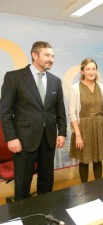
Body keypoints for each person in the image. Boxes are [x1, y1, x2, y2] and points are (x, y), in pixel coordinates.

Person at [0, 41, 67, 201]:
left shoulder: (55, 80)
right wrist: (11, 138)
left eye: (52, 56)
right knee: (23, 183)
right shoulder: (14, 77)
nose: (51, 59)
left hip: (48, 139)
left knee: (46, 181)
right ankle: (22, 215)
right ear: (34, 55)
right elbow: (5, 112)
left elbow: (60, 111)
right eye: (47, 55)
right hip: (23, 140)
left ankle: (44, 213)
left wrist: (62, 133)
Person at [68, 58, 103, 183]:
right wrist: (78, 135)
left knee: (98, 159)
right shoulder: (75, 88)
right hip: (82, 127)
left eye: (93, 69)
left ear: (96, 71)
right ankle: (85, 188)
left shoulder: (102, 87)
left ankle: (98, 186)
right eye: (88, 69)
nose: (91, 72)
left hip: (99, 126)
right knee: (84, 160)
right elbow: (72, 114)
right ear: (82, 71)